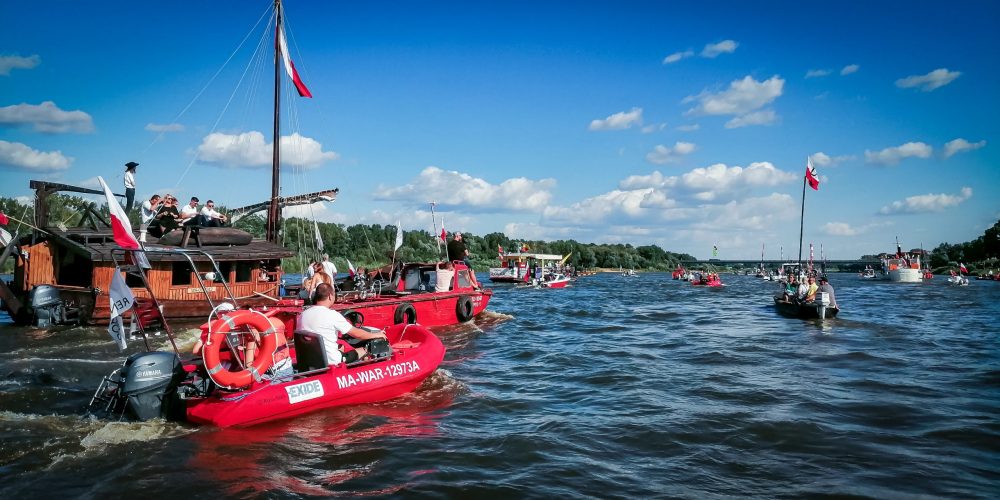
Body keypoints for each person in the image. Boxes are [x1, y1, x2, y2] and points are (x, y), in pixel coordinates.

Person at [298, 283, 387, 366]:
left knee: (341, 346)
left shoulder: (303, 314)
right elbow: (357, 334)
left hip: (310, 361)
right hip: (331, 362)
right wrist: (376, 334)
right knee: (365, 350)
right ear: (330, 296)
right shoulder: (332, 315)